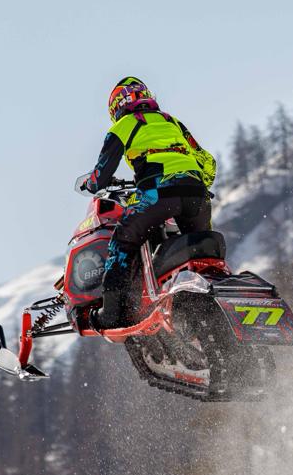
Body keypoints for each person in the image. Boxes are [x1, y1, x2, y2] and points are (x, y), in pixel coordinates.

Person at [79, 77, 216, 330]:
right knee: (199, 249)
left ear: (116, 107)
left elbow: (101, 175)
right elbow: (208, 163)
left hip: (158, 193)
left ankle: (112, 313)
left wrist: (90, 184)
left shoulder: (123, 125)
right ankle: (206, 303)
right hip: (197, 196)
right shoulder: (172, 121)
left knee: (122, 241)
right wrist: (195, 180)